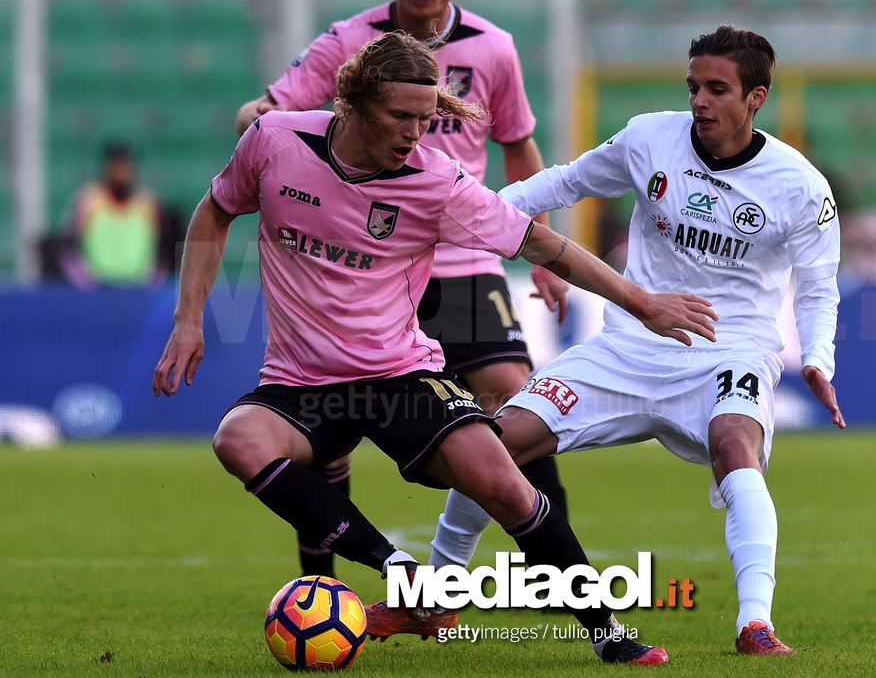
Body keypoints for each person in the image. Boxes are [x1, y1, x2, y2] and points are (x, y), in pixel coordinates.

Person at [154, 32, 717, 664]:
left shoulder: (436, 181)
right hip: (300, 381)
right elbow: (214, 211)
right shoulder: (276, 143)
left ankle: (608, 634)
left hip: (400, 376)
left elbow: (542, 244)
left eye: (426, 119)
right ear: (353, 103)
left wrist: (643, 302)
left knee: (505, 483)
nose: (414, 133)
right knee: (238, 438)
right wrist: (189, 320)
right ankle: (405, 573)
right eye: (400, 116)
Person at [414, 24, 847, 656]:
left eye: (717, 89)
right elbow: (563, 182)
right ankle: (438, 597)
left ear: (756, 98)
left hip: (727, 353)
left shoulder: (799, 185)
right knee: (495, 442)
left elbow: (817, 287)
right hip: (629, 346)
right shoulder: (650, 138)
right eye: (693, 85)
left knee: (736, 450)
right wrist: (471, 214)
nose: (699, 100)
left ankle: (755, 624)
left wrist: (816, 358)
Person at [235, 0, 572, 581]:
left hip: (461, 252)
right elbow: (271, 110)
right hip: (368, 261)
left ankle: (552, 567)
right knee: (333, 409)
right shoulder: (348, 43)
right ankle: (324, 576)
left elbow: (519, 146)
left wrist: (549, 253)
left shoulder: (494, 48)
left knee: (513, 394)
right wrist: (257, 123)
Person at [60, 140, 166, 287]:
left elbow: (162, 251)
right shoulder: (89, 199)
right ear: (107, 167)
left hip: (138, 291)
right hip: (97, 291)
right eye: (117, 165)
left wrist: (151, 285)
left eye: (126, 165)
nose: (122, 171)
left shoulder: (147, 202)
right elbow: (67, 248)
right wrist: (84, 284)